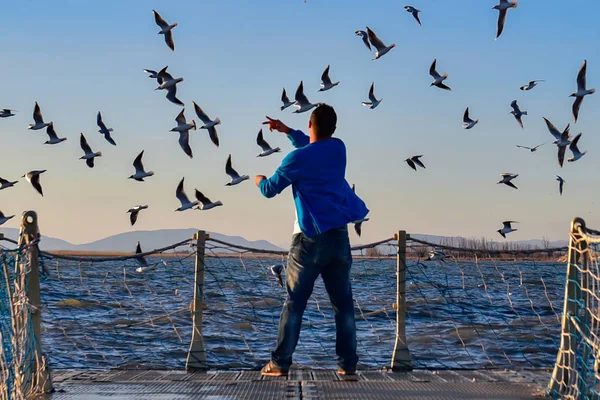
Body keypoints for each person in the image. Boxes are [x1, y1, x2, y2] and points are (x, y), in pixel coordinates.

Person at [254, 104, 369, 376]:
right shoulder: (339, 149)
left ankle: (280, 363)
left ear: (309, 123)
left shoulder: (297, 159)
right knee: (343, 306)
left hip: (309, 241)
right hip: (339, 238)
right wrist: (286, 131)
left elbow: (270, 190)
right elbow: (314, 147)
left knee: (295, 304)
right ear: (334, 129)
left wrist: (258, 180)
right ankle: (348, 365)